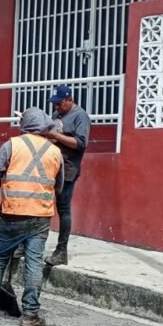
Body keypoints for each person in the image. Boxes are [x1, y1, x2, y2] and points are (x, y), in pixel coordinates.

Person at [0, 107, 64, 326]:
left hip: (12, 213)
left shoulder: (11, 145)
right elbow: (58, 186)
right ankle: (30, 314)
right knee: (34, 263)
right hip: (40, 216)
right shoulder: (55, 151)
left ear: (25, 125)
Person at [45, 84, 90, 266]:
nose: (56, 107)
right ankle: (32, 243)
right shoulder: (57, 115)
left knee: (63, 208)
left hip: (68, 169)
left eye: (59, 104)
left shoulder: (80, 116)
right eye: (54, 104)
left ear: (69, 100)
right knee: (43, 204)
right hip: (52, 166)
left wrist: (56, 136)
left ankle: (61, 251)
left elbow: (80, 143)